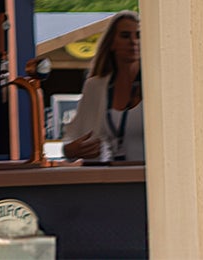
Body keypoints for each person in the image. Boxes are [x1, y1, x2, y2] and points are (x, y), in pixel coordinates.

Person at [58, 11, 144, 165]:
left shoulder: (157, 86)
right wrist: (71, 150)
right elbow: (72, 138)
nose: (133, 41)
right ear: (111, 43)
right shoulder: (95, 87)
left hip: (148, 179)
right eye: (125, 36)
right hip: (107, 178)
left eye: (138, 35)